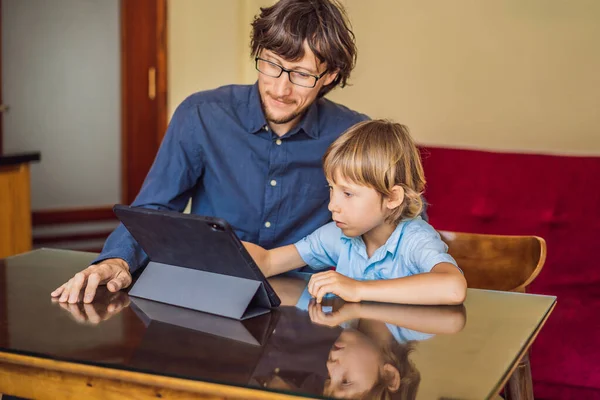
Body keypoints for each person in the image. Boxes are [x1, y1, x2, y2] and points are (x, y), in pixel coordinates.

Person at [51, 0, 368, 304]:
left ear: (329, 76)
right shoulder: (201, 114)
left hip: (308, 308)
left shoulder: (353, 136)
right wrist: (117, 261)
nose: (281, 89)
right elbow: (155, 209)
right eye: (272, 64)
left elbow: (390, 233)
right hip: (210, 296)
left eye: (300, 74)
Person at [245, 120, 467, 306]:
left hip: (390, 354)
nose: (332, 205)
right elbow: (269, 261)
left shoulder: (415, 239)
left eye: (348, 194)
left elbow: (454, 288)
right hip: (354, 347)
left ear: (392, 198)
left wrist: (359, 289)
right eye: (332, 189)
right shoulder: (336, 236)